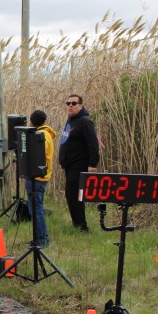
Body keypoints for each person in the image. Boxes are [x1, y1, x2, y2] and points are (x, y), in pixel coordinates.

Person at [58, 94, 100, 231]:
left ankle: (82, 226)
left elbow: (93, 144)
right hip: (69, 166)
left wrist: (93, 164)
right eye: (68, 103)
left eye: (74, 103)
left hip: (79, 165)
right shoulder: (71, 121)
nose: (70, 106)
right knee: (70, 195)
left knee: (76, 196)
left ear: (80, 106)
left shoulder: (85, 121)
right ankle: (76, 224)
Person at [24, 109, 57, 247]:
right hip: (42, 177)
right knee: (36, 208)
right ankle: (40, 238)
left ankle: (42, 240)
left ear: (32, 122)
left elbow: (37, 156)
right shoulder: (47, 134)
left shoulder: (40, 136)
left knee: (36, 210)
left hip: (37, 178)